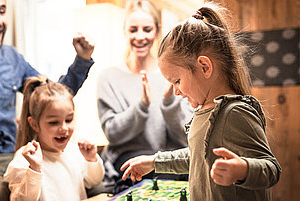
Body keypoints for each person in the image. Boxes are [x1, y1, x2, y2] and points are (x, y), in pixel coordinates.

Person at [120, 2, 281, 201]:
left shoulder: (235, 112)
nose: (176, 91)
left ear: (204, 67)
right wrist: (154, 161)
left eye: (177, 81)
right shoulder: (205, 111)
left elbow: (271, 168)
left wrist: (242, 169)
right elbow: (198, 158)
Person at [0, 0, 94, 200]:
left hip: (12, 156)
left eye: (2, 11)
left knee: (81, 184)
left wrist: (82, 60)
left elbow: (52, 98)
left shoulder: (11, 57)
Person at [96, 0, 193, 191]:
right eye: (133, 29)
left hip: (166, 159)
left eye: (147, 29)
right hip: (128, 159)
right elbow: (113, 134)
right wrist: (141, 107)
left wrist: (169, 103)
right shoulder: (109, 77)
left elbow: (187, 135)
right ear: (124, 31)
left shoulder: (171, 74)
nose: (140, 36)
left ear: (157, 31)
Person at [3, 76, 104, 201]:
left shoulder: (73, 151)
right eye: (53, 122)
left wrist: (91, 159)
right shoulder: (25, 158)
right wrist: (34, 169)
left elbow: (94, 181)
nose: (63, 128)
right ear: (34, 124)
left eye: (68, 120)